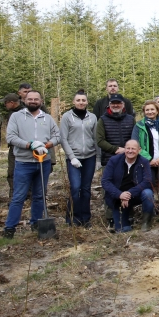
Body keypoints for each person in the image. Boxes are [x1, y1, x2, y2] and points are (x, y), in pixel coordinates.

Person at [3, 91, 60, 235]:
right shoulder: (16, 117)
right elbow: (10, 137)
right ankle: (10, 227)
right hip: (23, 162)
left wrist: (47, 145)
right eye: (30, 99)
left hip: (43, 162)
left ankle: (36, 223)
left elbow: (57, 136)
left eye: (36, 99)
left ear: (41, 101)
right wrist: (30, 144)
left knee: (40, 195)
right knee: (18, 196)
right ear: (24, 100)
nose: (33, 101)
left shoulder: (47, 118)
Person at [60, 90, 98, 226]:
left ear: (87, 102)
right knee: (75, 187)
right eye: (78, 100)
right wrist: (71, 157)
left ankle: (85, 218)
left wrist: (98, 158)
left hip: (90, 156)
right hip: (74, 157)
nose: (81, 102)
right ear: (74, 102)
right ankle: (73, 218)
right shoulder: (67, 117)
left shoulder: (92, 117)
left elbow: (95, 138)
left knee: (86, 188)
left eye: (83, 100)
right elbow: (63, 138)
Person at [101, 139, 154, 233]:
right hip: (116, 198)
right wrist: (119, 194)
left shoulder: (144, 162)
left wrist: (129, 193)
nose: (130, 151)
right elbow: (105, 181)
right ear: (124, 149)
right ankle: (124, 220)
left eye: (133, 149)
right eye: (128, 148)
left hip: (134, 195)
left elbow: (147, 181)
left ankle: (146, 222)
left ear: (139, 150)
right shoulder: (114, 160)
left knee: (148, 193)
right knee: (121, 229)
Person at [131, 100, 159, 210]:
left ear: (157, 110)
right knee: (148, 188)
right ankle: (150, 211)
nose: (150, 112)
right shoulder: (139, 126)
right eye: (147, 110)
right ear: (144, 112)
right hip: (146, 163)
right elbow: (135, 144)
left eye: (152, 109)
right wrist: (149, 159)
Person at [96, 92, 137, 171]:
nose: (115, 105)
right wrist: (116, 149)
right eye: (113, 103)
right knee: (109, 182)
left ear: (123, 104)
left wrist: (127, 150)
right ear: (109, 104)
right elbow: (100, 140)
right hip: (109, 160)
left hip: (129, 158)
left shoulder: (131, 119)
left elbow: (135, 138)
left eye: (118, 103)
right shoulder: (102, 120)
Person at [2, 92, 23, 196]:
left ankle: (21, 194)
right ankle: (14, 194)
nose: (5, 105)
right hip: (13, 146)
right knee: (11, 172)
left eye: (5, 103)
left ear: (12, 103)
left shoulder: (24, 112)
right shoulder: (12, 113)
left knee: (17, 171)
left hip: (22, 147)